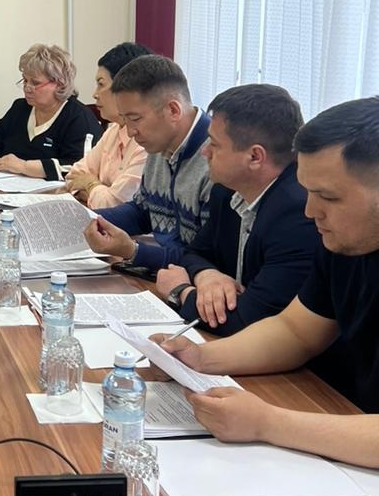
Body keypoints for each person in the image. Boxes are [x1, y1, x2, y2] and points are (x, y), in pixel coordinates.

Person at [153, 98, 379, 468]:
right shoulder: (344, 243)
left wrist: (267, 423)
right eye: (308, 191)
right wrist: (199, 358)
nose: (310, 211)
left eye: (328, 197)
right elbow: (296, 331)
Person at [156, 84, 318, 333]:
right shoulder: (227, 190)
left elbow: (249, 321)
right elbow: (194, 253)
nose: (204, 151)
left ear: (255, 157)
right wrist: (207, 274)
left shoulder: (298, 215)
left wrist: (180, 291)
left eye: (214, 144)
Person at [83, 55, 211, 270]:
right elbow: (142, 211)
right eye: (125, 120)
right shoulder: (160, 143)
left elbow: (205, 260)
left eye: (135, 119)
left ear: (173, 110)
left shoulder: (216, 161)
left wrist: (132, 251)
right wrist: (85, 220)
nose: (130, 132)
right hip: (165, 271)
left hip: (194, 279)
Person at [0, 44, 101, 180]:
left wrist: (24, 167)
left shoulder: (79, 118)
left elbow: (79, 168)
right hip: (7, 187)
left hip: (55, 193)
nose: (27, 88)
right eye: (25, 80)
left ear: (59, 84)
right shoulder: (19, 108)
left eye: (35, 83)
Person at [64, 41, 152, 207]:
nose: (95, 94)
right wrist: (100, 190)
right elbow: (73, 176)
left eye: (101, 84)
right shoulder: (114, 130)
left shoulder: (146, 142)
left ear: (125, 88)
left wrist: (90, 184)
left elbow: (114, 204)